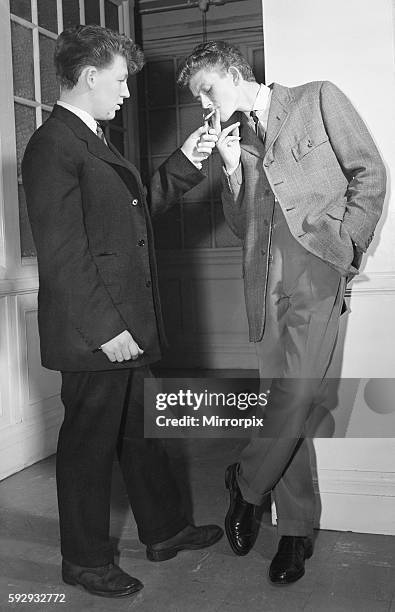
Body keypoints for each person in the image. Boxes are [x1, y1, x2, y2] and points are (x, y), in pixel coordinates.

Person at [22, 25, 222, 599]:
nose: (127, 94)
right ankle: (83, 561)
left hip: (125, 325)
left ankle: (165, 530)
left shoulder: (90, 139)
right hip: (97, 332)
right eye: (118, 81)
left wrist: (186, 161)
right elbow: (64, 255)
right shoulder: (53, 145)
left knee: (142, 434)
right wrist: (108, 329)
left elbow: (129, 218)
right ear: (88, 77)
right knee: (88, 449)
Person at [177, 41, 386, 585]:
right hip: (262, 282)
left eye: (206, 90)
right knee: (283, 405)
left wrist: (348, 246)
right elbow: (242, 224)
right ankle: (295, 530)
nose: (203, 104)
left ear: (231, 72)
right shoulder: (237, 138)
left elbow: (370, 171)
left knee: (294, 396)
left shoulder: (316, 99)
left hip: (317, 270)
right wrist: (229, 172)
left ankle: (245, 485)